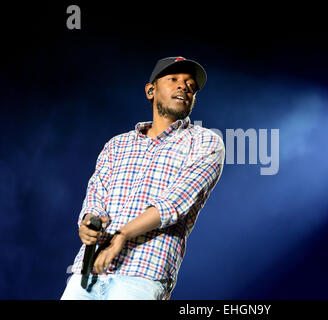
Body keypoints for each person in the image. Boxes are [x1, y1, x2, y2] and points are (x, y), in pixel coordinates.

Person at [61, 57, 225, 300]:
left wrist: (122, 235)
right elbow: (96, 195)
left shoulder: (206, 143)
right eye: (173, 79)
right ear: (151, 90)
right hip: (88, 271)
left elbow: (173, 204)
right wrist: (88, 223)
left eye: (190, 85)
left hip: (144, 274)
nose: (184, 86)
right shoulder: (117, 145)